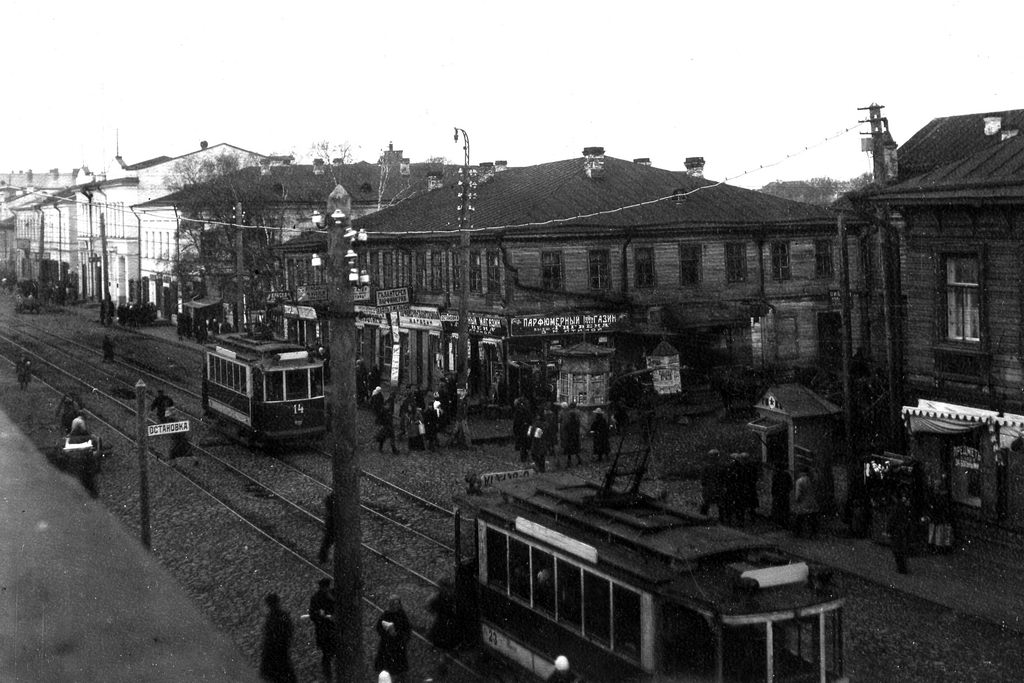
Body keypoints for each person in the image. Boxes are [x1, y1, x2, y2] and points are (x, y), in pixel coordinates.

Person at [259, 593, 297, 683]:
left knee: (274, 674)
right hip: (280, 648)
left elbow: (268, 634)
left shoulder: (271, 617)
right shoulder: (282, 616)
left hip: (274, 649)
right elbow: (289, 630)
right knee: (284, 671)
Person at [426, 577, 460, 678]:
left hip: (443, 622)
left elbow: (430, 607)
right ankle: (443, 663)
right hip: (448, 622)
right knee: (448, 644)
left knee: (444, 644)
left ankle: (443, 662)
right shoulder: (450, 597)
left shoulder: (438, 597)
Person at [374, 595, 411, 683]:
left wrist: (401, 636)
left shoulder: (401, 614)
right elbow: (379, 627)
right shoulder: (386, 614)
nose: (396, 606)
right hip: (388, 645)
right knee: (387, 667)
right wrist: (388, 633)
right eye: (394, 604)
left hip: (399, 644)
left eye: (397, 604)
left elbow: (407, 628)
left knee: (399, 668)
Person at [308, 578, 339, 681]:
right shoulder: (316, 598)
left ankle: (332, 676)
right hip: (325, 630)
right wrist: (321, 616)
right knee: (327, 655)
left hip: (332, 629)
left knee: (331, 654)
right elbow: (312, 615)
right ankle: (329, 677)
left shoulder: (333, 594)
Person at [887, 491, 914, 574]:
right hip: (900, 532)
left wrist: (889, 530)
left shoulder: (898, 508)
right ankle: (902, 568)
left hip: (898, 532)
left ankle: (901, 568)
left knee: (898, 550)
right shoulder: (902, 509)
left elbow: (891, 520)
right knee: (900, 550)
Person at [792, 468, 820, 538]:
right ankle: (813, 533)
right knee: (812, 518)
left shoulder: (799, 481)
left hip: (803, 502)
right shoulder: (812, 480)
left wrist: (797, 500)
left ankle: (798, 533)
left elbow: (798, 494)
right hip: (811, 501)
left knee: (800, 518)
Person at [699, 450, 723, 519]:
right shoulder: (721, 466)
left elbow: (703, 479)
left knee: (706, 504)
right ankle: (722, 519)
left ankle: (702, 518)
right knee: (720, 505)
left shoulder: (706, 466)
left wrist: (704, 485)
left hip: (709, 488)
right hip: (718, 488)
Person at [770, 464, 793, 529]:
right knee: (785, 509)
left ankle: (778, 523)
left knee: (777, 509)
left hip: (778, 495)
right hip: (785, 495)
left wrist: (773, 493)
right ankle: (785, 523)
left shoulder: (776, 475)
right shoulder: (787, 475)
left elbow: (773, 486)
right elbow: (790, 485)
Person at [560, 403, 582, 467]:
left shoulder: (568, 422)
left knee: (569, 451)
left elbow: (565, 428)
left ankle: (569, 462)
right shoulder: (576, 422)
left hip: (570, 438)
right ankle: (579, 460)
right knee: (575, 450)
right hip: (575, 437)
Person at [513, 397, 532, 463]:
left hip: (522, 430)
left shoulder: (520, 412)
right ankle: (524, 456)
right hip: (523, 430)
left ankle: (524, 457)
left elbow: (516, 423)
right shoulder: (525, 412)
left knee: (523, 445)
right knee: (524, 445)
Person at [318, 492, 336, 564]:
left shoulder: (331, 497)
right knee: (328, 540)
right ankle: (323, 557)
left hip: (331, 521)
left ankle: (323, 557)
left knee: (328, 540)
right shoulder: (332, 498)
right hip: (333, 521)